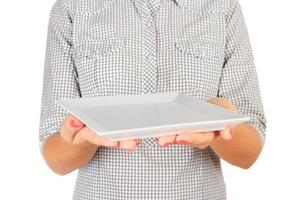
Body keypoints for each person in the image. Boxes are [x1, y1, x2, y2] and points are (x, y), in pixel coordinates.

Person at [38, 0, 267, 199]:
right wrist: (84, 138)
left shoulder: (222, 7)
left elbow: (249, 153)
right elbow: (56, 158)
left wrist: (219, 124)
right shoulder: (72, 8)